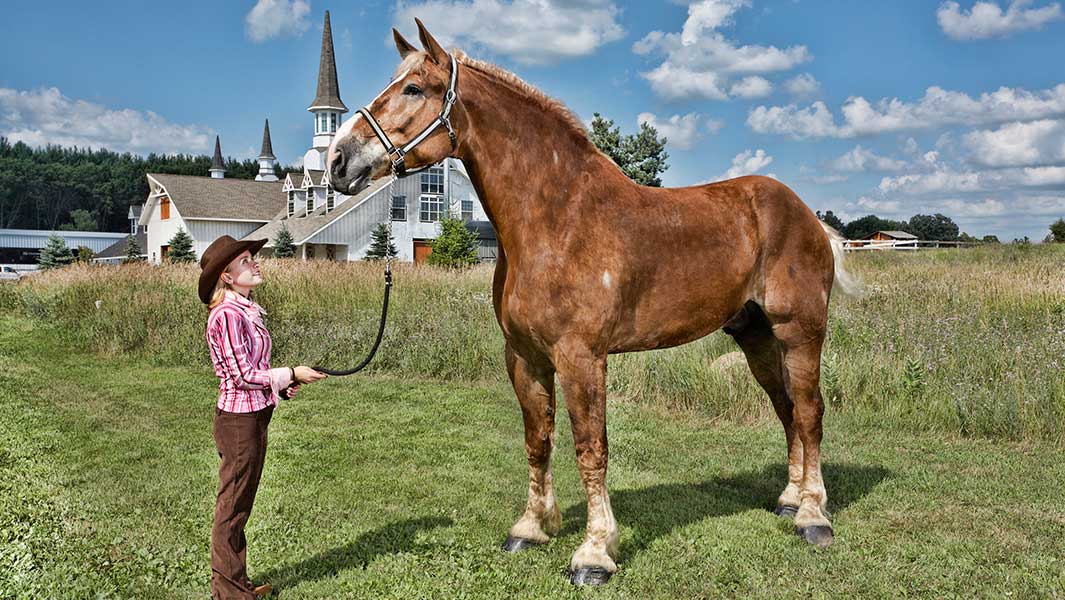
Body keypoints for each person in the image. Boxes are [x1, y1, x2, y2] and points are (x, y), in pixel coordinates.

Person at [198, 235, 327, 599]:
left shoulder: (245, 310)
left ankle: (236, 583)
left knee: (240, 505)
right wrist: (290, 373)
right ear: (226, 276)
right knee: (232, 507)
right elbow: (241, 376)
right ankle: (228, 592)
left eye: (252, 258)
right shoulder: (225, 316)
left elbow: (254, 370)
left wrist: (280, 386)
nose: (254, 263)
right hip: (238, 423)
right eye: (244, 261)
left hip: (254, 416)